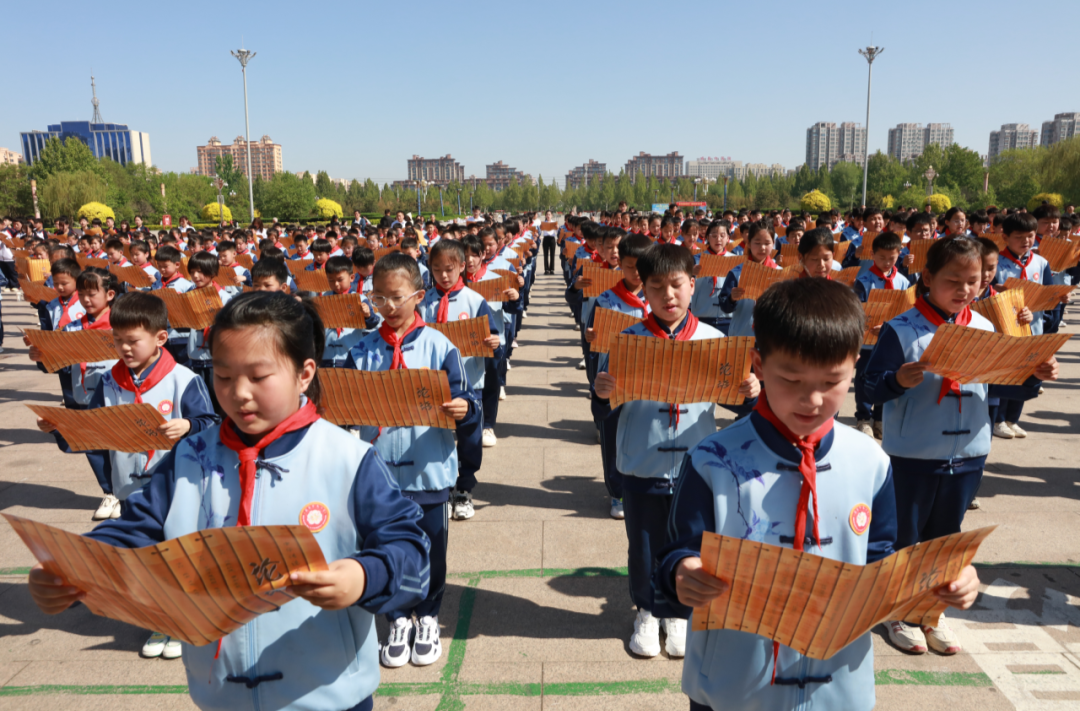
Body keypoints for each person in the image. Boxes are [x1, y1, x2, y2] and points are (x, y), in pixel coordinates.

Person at [28, 291, 431, 711]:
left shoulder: (348, 459)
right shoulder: (189, 458)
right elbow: (135, 530)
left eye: (258, 376)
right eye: (222, 375)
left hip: (329, 697)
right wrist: (72, 566)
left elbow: (412, 553)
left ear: (304, 373)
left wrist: (363, 576)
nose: (239, 393)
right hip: (221, 696)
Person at [656, 278, 981, 711]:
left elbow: (881, 560)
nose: (811, 400)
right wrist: (683, 571)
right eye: (791, 379)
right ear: (758, 365)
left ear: (854, 367)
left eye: (832, 381)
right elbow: (678, 551)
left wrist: (940, 580)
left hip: (838, 684)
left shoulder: (870, 460)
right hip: (735, 683)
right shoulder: (712, 459)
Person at [865, 236, 1058, 655]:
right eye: (953, 280)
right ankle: (899, 612)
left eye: (973, 281)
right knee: (907, 537)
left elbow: (1002, 389)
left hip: (969, 452)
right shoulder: (902, 329)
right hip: (914, 454)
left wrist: (1033, 374)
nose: (964, 289)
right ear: (927, 277)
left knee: (946, 538)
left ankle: (930, 612)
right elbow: (868, 387)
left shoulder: (985, 328)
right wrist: (897, 381)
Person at [593, 243, 759, 660]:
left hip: (696, 466)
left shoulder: (714, 341)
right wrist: (602, 392)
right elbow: (604, 409)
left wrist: (751, 392)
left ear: (692, 285)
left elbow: (739, 406)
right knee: (644, 544)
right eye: (656, 286)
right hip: (643, 463)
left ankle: (680, 613)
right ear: (644, 288)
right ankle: (648, 610)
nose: (668, 295)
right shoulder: (627, 341)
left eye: (677, 285)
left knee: (691, 543)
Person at [35, 291, 217, 660]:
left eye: (133, 340)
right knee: (147, 557)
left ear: (160, 338)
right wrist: (62, 428)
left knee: (177, 551)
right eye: (117, 340)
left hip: (177, 486)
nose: (124, 348)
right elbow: (94, 430)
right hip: (130, 486)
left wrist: (188, 425)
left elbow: (211, 424)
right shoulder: (109, 382)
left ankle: (183, 619)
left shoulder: (182, 379)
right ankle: (161, 619)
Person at [346, 253, 479, 669]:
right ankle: (398, 618)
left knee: (432, 550)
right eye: (378, 297)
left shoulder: (441, 347)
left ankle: (428, 615)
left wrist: (464, 409)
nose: (387, 306)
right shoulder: (361, 350)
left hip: (429, 470)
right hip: (380, 475)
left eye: (396, 297)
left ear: (419, 296)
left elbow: (466, 398)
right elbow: (342, 408)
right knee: (385, 548)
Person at [27, 267, 120, 519]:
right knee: (93, 446)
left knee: (121, 447)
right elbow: (58, 365)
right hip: (84, 396)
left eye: (92, 294)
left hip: (116, 398)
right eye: (82, 294)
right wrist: (42, 356)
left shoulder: (120, 326)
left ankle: (127, 493)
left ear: (110, 294)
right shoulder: (71, 328)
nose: (86, 300)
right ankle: (109, 492)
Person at [417, 239, 499, 521]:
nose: (443, 275)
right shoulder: (423, 302)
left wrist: (494, 342)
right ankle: (438, 486)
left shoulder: (475, 302)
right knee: (434, 436)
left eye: (449, 269)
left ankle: (464, 488)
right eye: (436, 269)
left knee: (469, 439)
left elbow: (492, 335)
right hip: (431, 382)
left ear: (462, 266)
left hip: (469, 383)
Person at [586, 233, 653, 521]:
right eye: (629, 266)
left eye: (642, 267)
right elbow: (593, 340)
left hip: (651, 378)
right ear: (620, 265)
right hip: (616, 377)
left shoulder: (659, 297)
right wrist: (591, 337)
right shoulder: (606, 300)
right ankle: (617, 492)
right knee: (613, 436)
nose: (636, 273)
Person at [992, 212, 1062, 438]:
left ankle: (1013, 419)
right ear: (1005, 237)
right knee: (1005, 375)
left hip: (1033, 328)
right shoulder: (996, 263)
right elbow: (986, 294)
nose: (1026, 241)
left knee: (1027, 373)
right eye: (1019, 237)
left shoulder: (1041, 262)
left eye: (1030, 236)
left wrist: (1056, 300)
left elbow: (1048, 296)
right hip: (1004, 330)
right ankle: (998, 419)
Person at [851, 232, 910, 438]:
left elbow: (905, 311)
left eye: (891, 258)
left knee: (886, 378)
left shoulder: (903, 282)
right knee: (863, 379)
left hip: (890, 341)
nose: (886, 262)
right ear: (872, 255)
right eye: (881, 257)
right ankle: (863, 418)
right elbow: (857, 311)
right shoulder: (863, 281)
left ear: (899, 254)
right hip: (867, 341)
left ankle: (880, 418)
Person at [185, 253, 232, 414]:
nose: (195, 276)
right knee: (199, 402)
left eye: (200, 271)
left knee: (219, 401)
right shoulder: (189, 295)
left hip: (215, 359)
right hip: (195, 356)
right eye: (192, 272)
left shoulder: (224, 297)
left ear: (212, 272)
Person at [718, 220, 779, 337]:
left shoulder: (780, 273)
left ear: (773, 244)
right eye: (757, 243)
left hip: (771, 337)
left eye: (767, 243)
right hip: (741, 335)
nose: (762, 247)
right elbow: (724, 306)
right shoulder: (737, 272)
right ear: (749, 243)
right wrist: (731, 298)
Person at [320, 256, 378, 368]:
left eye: (340, 280)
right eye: (331, 280)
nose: (336, 284)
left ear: (352, 278)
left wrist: (367, 315)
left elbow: (372, 323)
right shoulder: (324, 298)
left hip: (351, 353)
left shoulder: (359, 299)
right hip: (327, 355)